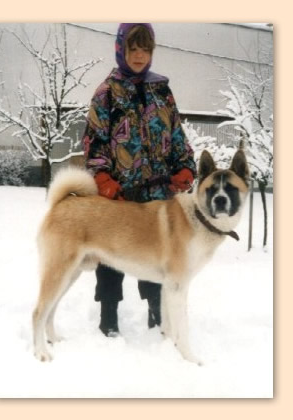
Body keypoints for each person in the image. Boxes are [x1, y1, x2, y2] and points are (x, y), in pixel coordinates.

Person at [83, 23, 196, 337]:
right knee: (110, 258)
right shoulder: (107, 92)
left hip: (158, 193)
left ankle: (157, 318)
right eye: (133, 48)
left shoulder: (162, 90)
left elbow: (176, 136)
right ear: (121, 49)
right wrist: (103, 177)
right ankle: (108, 319)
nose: (139, 55)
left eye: (145, 49)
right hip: (118, 195)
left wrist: (186, 166)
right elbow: (94, 140)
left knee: (156, 256)